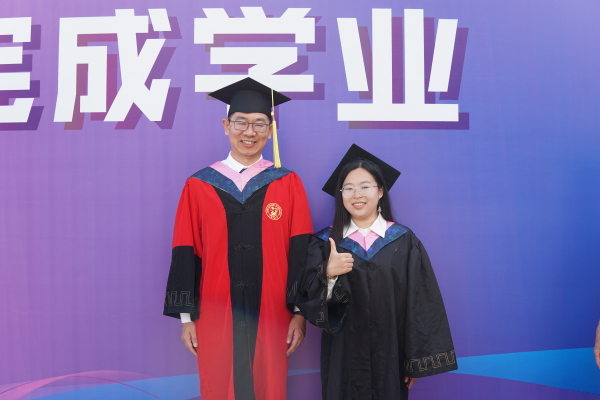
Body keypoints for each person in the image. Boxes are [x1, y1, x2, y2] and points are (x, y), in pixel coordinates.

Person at [163, 78, 313, 400]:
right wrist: (187, 318)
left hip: (273, 311)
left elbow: (301, 251)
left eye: (259, 124)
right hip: (215, 311)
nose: (249, 132)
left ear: (270, 131)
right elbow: (186, 249)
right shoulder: (199, 185)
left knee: (268, 385)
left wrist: (300, 313)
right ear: (226, 126)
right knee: (219, 384)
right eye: (241, 122)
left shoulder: (288, 183)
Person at [297, 144, 457, 400]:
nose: (356, 195)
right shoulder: (325, 243)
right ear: (341, 194)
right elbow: (310, 303)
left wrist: (414, 359)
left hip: (390, 355)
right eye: (348, 188)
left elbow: (420, 302)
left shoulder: (403, 241)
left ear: (380, 191)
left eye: (365, 186)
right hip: (343, 357)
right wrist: (328, 274)